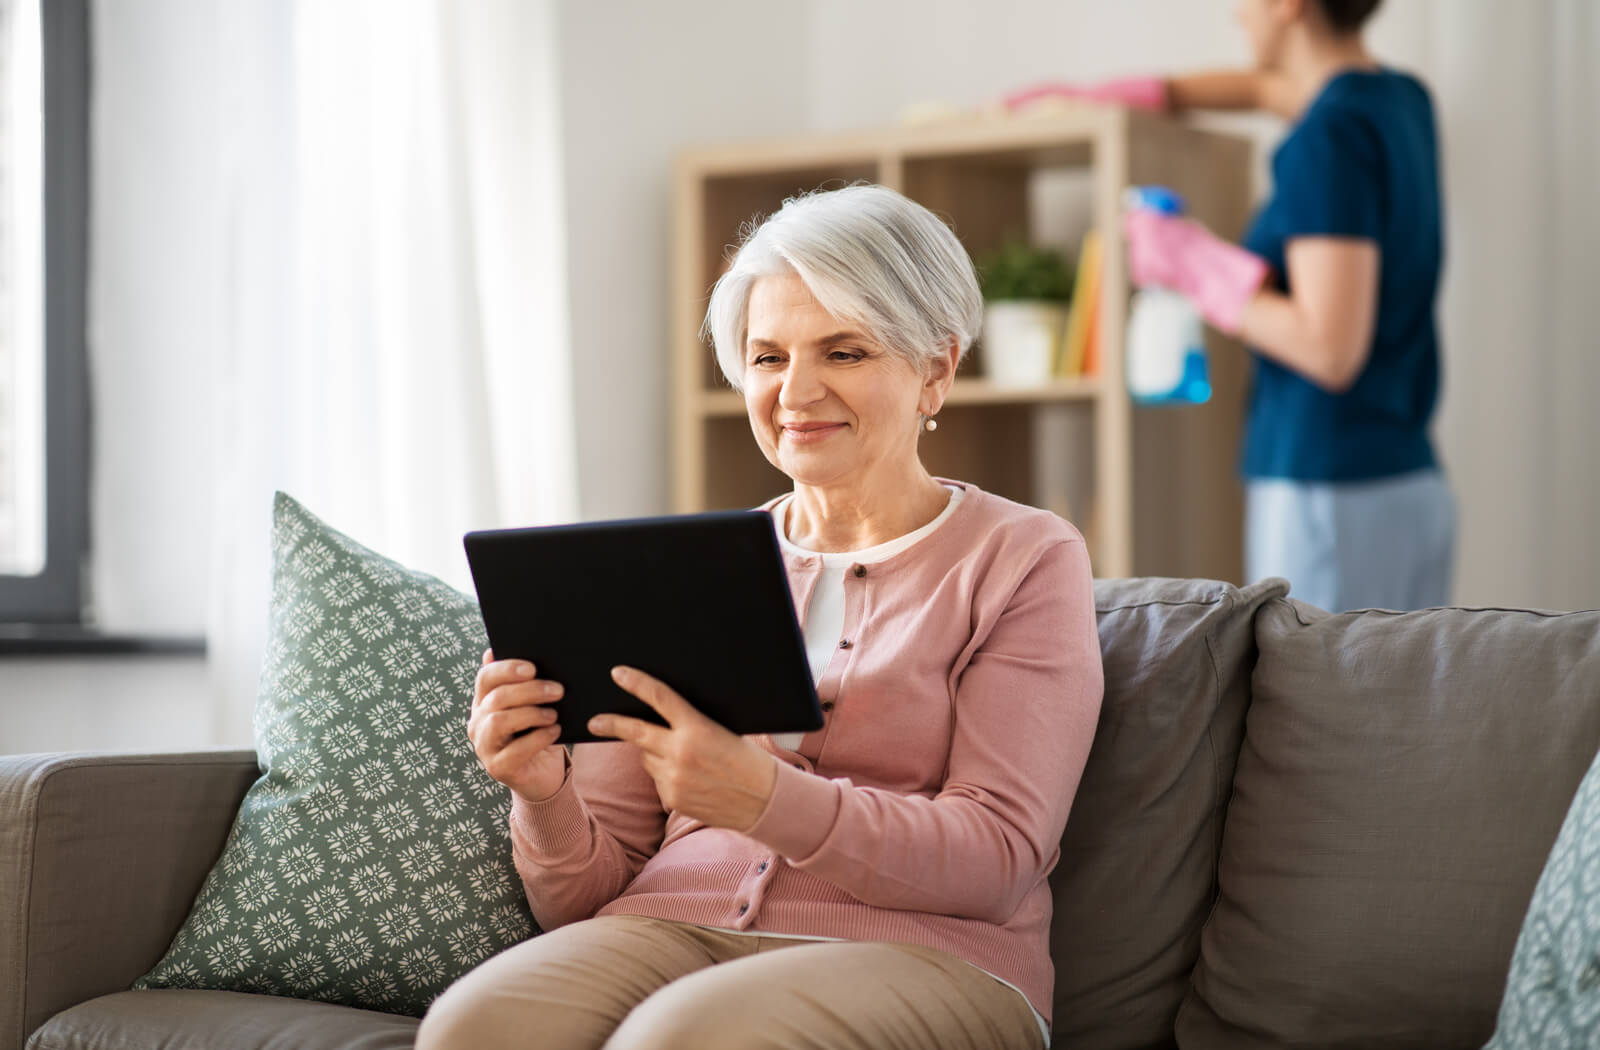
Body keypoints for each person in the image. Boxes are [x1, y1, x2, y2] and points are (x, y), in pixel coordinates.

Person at [416, 184, 1103, 1050]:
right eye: (769, 356)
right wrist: (542, 791)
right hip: (668, 924)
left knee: (683, 1040)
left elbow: (997, 859)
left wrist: (767, 798)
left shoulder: (1024, 557)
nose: (796, 391)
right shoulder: (678, 570)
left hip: (933, 954)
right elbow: (587, 897)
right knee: (473, 1027)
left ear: (936, 368)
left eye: (845, 352)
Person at [1013, 0, 1455, 613]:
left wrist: (1192, 262)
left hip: (1327, 484)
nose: (1235, 13)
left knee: (1317, 702)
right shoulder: (1398, 101)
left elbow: (1329, 349)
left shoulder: (1328, 133)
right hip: (1404, 484)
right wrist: (1132, 94)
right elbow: (1260, 88)